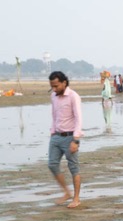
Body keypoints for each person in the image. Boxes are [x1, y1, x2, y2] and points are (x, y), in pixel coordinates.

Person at [48, 71, 83, 208]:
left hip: (70, 137)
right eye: (52, 86)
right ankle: (66, 192)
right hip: (56, 136)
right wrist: (52, 132)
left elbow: (78, 118)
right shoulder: (53, 97)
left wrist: (76, 140)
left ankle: (76, 198)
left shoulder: (73, 96)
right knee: (52, 164)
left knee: (73, 167)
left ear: (64, 83)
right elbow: (54, 116)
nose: (54, 89)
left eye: (56, 86)